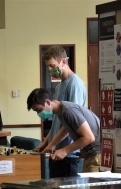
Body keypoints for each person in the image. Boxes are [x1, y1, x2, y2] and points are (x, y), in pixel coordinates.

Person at [33, 45, 87, 177]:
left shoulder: (75, 85)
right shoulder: (59, 86)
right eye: (47, 66)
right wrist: (45, 143)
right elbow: (58, 121)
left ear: (64, 61)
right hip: (57, 151)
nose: (50, 70)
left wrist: (52, 144)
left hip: (68, 153)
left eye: (52, 65)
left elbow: (72, 122)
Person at [27, 88, 101, 173]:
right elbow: (66, 129)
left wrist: (65, 150)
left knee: (92, 185)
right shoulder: (61, 111)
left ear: (47, 102)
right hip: (89, 154)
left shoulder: (68, 111)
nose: (39, 114)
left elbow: (89, 138)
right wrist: (51, 145)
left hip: (97, 154)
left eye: (39, 110)